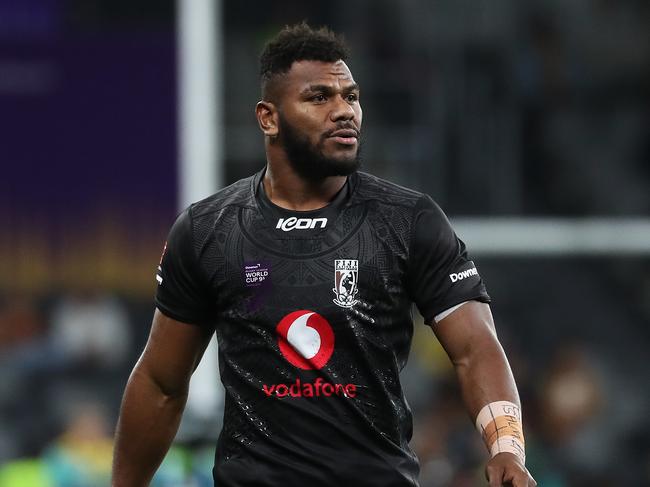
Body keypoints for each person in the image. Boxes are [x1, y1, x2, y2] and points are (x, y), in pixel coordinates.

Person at [112, 23, 537, 487]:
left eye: (351, 97)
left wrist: (506, 448)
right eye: (319, 98)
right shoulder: (208, 230)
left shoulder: (408, 220)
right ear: (268, 118)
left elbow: (477, 349)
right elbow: (160, 383)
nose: (344, 112)